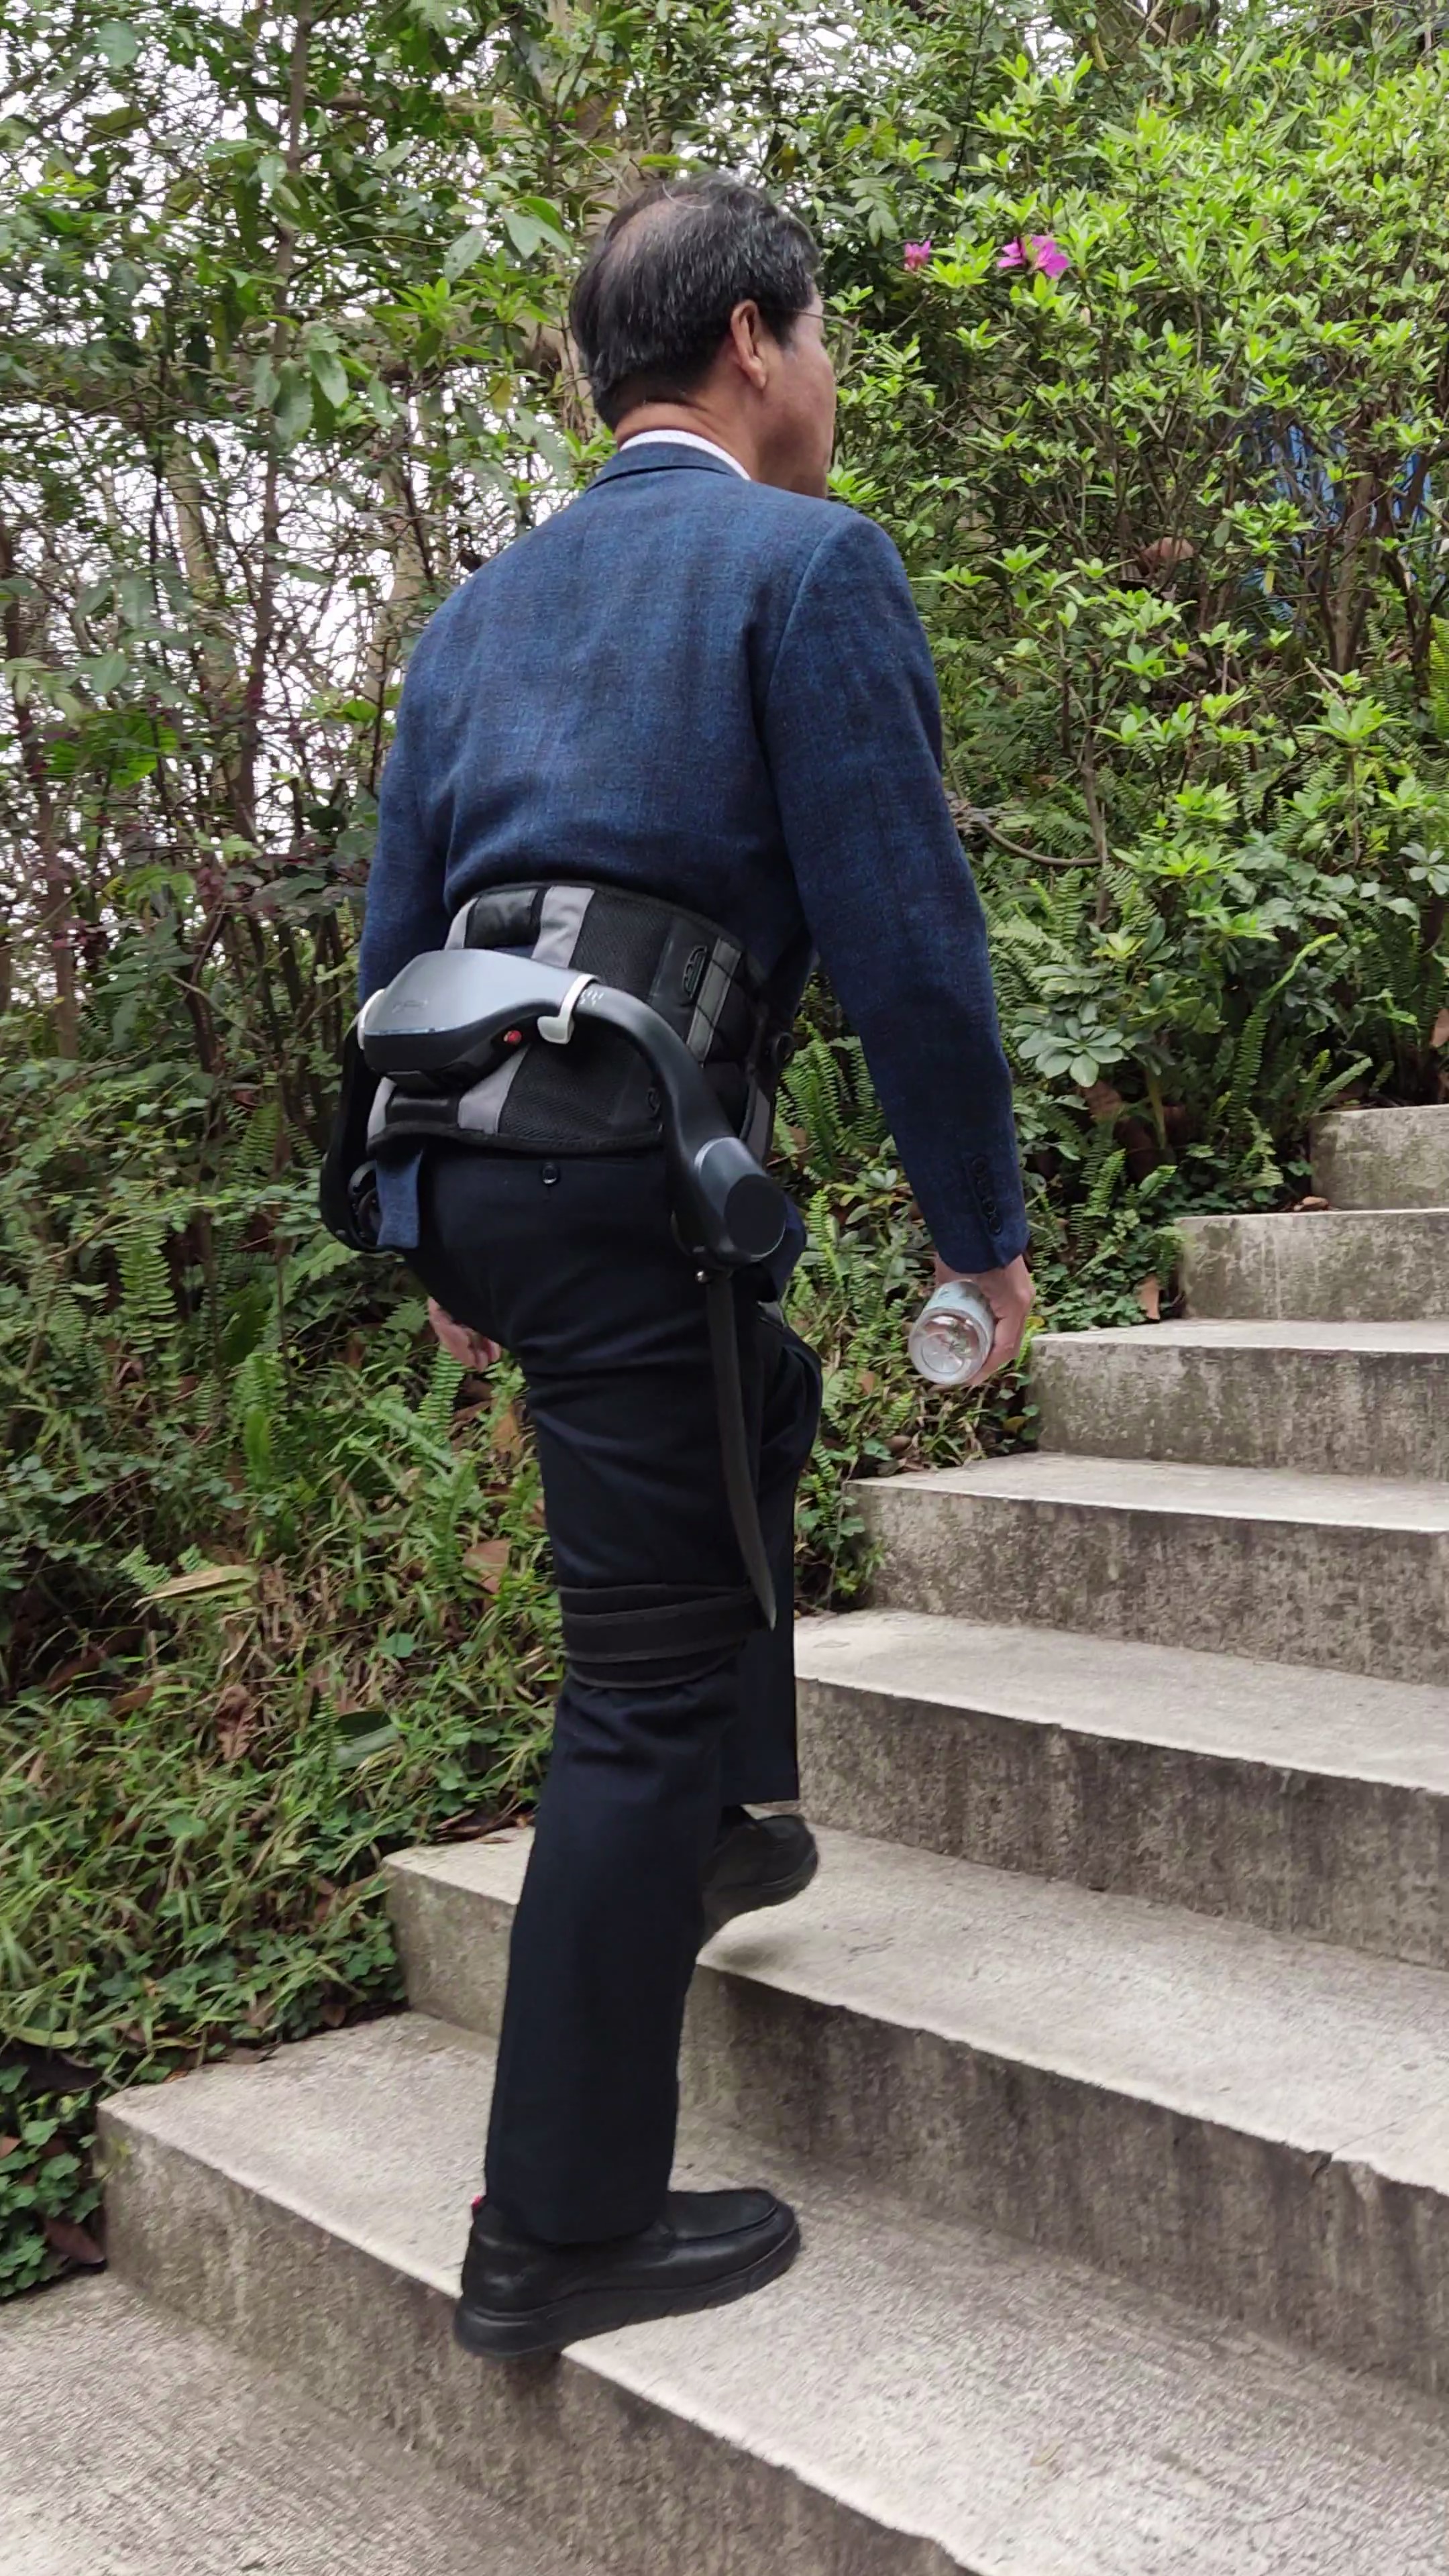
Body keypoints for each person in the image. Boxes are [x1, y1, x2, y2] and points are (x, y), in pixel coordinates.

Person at [356, 174, 1031, 2360]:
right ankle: (554, 2228)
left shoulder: (477, 615)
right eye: (821, 337)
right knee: (631, 1685)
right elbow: (911, 937)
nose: (827, 379)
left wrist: (417, 1223)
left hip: (484, 1150)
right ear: (754, 339)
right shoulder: (807, 562)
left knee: (765, 1392)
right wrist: (983, 1231)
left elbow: (395, 948)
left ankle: (732, 1819)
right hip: (625, 1159)